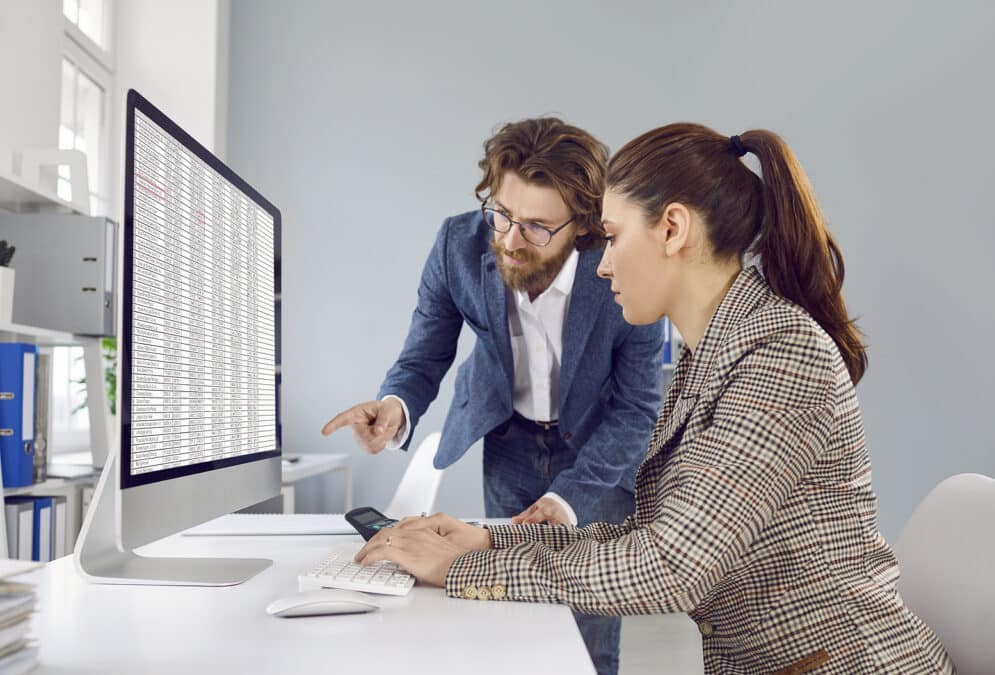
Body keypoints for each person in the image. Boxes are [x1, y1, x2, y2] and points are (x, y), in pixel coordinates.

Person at [352, 123, 955, 673]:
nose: (604, 265)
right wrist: (488, 539)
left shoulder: (779, 355)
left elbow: (670, 569)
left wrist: (465, 569)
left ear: (672, 228)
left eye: (612, 238)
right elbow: (655, 536)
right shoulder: (715, 354)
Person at [321, 118, 664, 675]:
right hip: (508, 442)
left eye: (535, 227)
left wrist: (568, 497)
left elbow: (637, 407)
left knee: (590, 631)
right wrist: (395, 406)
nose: (508, 239)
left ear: (582, 226)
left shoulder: (624, 267)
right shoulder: (458, 243)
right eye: (501, 213)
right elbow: (424, 350)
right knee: (505, 606)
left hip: (597, 451)